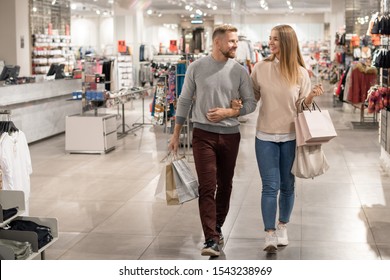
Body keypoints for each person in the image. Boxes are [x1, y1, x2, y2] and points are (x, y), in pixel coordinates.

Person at [168, 24, 257, 257]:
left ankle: (217, 227)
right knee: (207, 186)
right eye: (231, 41)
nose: (236, 45)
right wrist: (176, 133)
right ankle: (210, 238)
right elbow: (185, 100)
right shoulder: (196, 67)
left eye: (237, 41)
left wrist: (229, 113)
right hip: (202, 135)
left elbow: (250, 104)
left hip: (230, 136)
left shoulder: (239, 70)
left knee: (225, 185)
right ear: (217, 42)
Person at [250, 24, 324, 253]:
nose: (270, 43)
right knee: (270, 186)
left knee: (288, 185)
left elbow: (301, 106)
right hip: (265, 136)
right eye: (269, 38)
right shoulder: (260, 68)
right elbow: (252, 98)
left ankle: (283, 226)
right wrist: (235, 105)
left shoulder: (301, 72)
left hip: (292, 136)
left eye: (275, 39)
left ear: (287, 42)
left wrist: (310, 96)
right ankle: (269, 234)